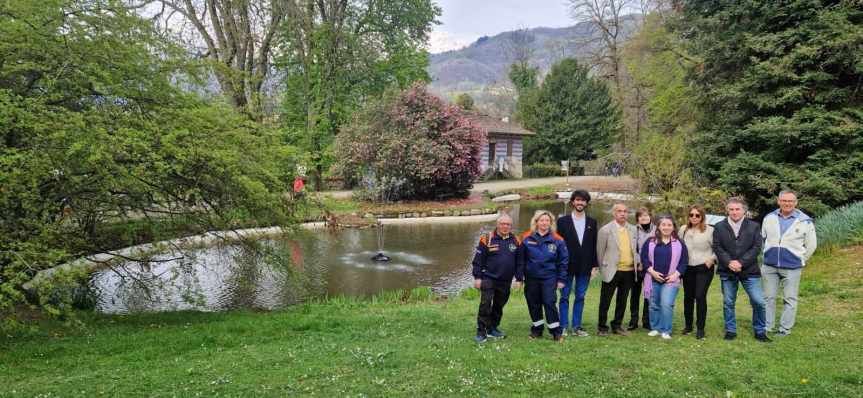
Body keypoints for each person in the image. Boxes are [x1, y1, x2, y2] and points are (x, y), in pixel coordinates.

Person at [713, 197, 769, 342]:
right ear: (727, 210)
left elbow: (757, 247)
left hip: (749, 270)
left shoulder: (754, 226)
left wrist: (741, 263)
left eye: (737, 209)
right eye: (731, 209)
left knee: (758, 301)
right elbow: (717, 247)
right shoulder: (719, 226)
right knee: (728, 302)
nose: (734, 212)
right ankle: (730, 330)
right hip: (727, 270)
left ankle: (760, 330)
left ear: (744, 210)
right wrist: (729, 262)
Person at [761, 190, 817, 337]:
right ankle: (767, 327)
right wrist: (766, 254)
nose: (787, 203)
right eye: (784, 201)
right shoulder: (769, 218)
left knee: (790, 299)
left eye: (790, 201)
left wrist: (801, 259)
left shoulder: (805, 221)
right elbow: (763, 238)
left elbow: (811, 245)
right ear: (778, 201)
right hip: (769, 265)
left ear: (795, 203)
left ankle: (784, 329)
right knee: (768, 298)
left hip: (792, 267)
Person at [471, 214, 525, 343]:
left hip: (505, 281)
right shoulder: (487, 239)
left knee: (499, 306)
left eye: (508, 224)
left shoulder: (517, 241)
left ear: (511, 226)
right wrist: (478, 277)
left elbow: (520, 262)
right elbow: (478, 261)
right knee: (486, 304)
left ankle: (492, 328)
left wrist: (519, 279)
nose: (505, 226)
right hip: (488, 278)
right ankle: (481, 331)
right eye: (503, 224)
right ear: (497, 224)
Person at [556, 190, 598, 337]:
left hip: (585, 266)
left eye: (583, 200)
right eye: (578, 200)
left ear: (587, 203)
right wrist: (558, 265)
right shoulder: (562, 221)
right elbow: (558, 246)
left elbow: (594, 245)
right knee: (564, 296)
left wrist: (595, 265)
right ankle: (563, 326)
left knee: (580, 296)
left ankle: (576, 326)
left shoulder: (592, 222)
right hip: (566, 265)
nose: (580, 203)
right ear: (573, 202)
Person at [522, 210, 569, 342]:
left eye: (547, 220)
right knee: (533, 303)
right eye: (541, 220)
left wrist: (561, 279)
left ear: (551, 223)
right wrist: (520, 277)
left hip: (549, 277)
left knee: (549, 302)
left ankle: (556, 332)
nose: (544, 223)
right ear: (536, 222)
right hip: (531, 278)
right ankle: (537, 330)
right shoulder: (526, 237)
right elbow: (520, 260)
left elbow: (564, 261)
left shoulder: (558, 240)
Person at [641, 215, 688, 340]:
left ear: (673, 227)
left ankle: (666, 330)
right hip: (652, 278)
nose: (666, 227)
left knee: (666, 304)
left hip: (671, 280)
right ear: (658, 227)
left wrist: (675, 275)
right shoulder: (650, 241)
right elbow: (644, 259)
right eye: (663, 225)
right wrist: (653, 273)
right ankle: (655, 328)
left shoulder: (679, 243)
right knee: (654, 305)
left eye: (669, 225)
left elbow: (684, 262)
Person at [596, 203, 639, 336]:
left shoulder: (633, 229)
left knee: (622, 300)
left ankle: (617, 325)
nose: (623, 214)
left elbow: (635, 249)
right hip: (612, 270)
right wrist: (602, 269)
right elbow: (600, 252)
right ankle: (602, 327)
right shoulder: (605, 230)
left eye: (625, 211)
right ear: (614, 213)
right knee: (605, 300)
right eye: (619, 211)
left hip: (629, 271)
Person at [680, 205, 716, 339]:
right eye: (691, 215)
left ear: (702, 216)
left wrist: (712, 259)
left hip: (704, 268)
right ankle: (688, 326)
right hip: (688, 268)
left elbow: (718, 248)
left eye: (697, 215)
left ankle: (700, 328)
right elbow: (678, 247)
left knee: (700, 296)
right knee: (688, 297)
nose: (694, 217)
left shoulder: (710, 230)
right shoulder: (683, 229)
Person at [628, 207, 654, 331]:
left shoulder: (656, 230)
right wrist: (639, 262)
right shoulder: (633, 230)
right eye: (641, 216)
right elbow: (633, 248)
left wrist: (647, 263)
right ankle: (633, 320)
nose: (644, 218)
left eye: (646, 215)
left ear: (650, 217)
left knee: (648, 293)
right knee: (635, 294)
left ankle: (646, 320)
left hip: (651, 266)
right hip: (637, 267)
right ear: (637, 218)